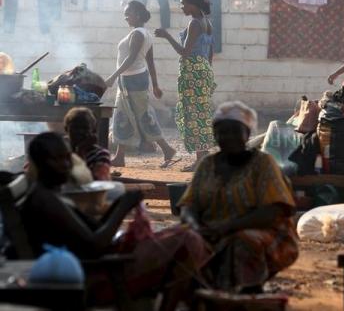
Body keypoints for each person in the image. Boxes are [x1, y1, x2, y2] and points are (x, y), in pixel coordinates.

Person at [21, 132, 210, 311]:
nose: (66, 165)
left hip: (96, 264)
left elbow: (93, 228)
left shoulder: (51, 194)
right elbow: (95, 244)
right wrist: (122, 209)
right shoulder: (47, 200)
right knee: (187, 240)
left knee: (183, 235)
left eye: (67, 157)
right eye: (57, 159)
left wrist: (118, 205)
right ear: (40, 163)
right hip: (95, 275)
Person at [178, 101, 299, 293]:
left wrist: (227, 227)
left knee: (241, 240)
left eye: (235, 131)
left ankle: (246, 293)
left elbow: (273, 211)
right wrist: (195, 226)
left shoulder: (262, 163)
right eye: (222, 132)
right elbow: (188, 205)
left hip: (267, 236)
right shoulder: (207, 164)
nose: (228, 137)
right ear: (215, 136)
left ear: (247, 134)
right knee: (179, 239)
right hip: (213, 230)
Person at [105, 0, 177, 168]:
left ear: (137, 14)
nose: (125, 17)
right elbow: (150, 62)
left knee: (140, 116)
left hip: (132, 80)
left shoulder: (137, 34)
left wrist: (113, 76)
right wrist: (155, 85)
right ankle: (121, 156)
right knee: (127, 115)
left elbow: (130, 59)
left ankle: (166, 149)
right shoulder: (146, 34)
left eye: (128, 13)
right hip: (134, 79)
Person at [155, 0, 215, 172]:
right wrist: (208, 73)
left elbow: (184, 52)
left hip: (192, 72)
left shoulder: (195, 24)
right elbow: (210, 52)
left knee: (193, 116)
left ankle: (199, 161)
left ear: (193, 4)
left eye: (183, 3)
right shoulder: (207, 22)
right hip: (203, 70)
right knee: (201, 114)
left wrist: (167, 36)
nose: (181, 6)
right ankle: (203, 158)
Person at [64, 107, 111, 181]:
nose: (80, 132)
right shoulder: (60, 150)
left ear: (93, 130)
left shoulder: (100, 154)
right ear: (66, 129)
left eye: (85, 128)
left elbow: (99, 182)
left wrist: (81, 150)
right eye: (75, 127)